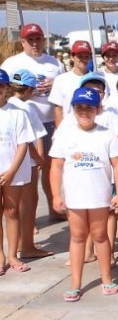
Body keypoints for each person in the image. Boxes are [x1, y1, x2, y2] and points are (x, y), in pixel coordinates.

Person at [49, 87, 118, 302]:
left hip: (99, 196)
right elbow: (55, 166)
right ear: (73, 109)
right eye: (79, 107)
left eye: (89, 108)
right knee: (77, 237)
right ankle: (75, 283)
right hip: (75, 197)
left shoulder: (106, 134)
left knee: (100, 235)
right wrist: (56, 195)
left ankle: (107, 279)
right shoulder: (65, 135)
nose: (84, 112)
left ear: (98, 109)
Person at [1, 24, 65, 220]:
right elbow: (4, 90)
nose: (35, 43)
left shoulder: (55, 63)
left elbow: (63, 90)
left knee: (49, 168)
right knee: (28, 173)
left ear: (44, 40)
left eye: (38, 39)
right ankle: (28, 220)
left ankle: (54, 209)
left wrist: (55, 85)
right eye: (30, 40)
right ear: (22, 42)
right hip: (22, 127)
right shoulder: (11, 63)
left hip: (50, 123)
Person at [8, 70, 51, 260]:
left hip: (11, 160)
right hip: (26, 162)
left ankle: (19, 243)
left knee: (14, 206)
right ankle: (27, 246)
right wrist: (39, 158)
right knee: (28, 203)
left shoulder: (8, 106)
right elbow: (29, 139)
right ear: (28, 90)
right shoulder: (26, 108)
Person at [0, 69, 36, 275]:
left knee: (12, 211)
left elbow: (23, 144)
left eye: (1, 86)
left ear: (7, 88)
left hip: (11, 170)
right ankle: (0, 256)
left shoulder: (17, 113)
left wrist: (12, 170)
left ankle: (13, 254)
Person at [49, 41, 95, 124]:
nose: (83, 59)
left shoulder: (98, 79)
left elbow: (103, 106)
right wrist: (60, 130)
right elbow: (58, 109)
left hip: (93, 127)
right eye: (80, 56)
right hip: (69, 128)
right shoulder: (61, 79)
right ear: (72, 57)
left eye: (86, 56)